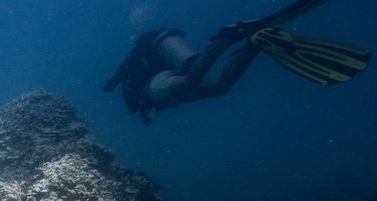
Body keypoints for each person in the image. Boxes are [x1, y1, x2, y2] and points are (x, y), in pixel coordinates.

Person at [104, 0, 370, 125]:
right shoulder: (142, 57)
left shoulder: (133, 62)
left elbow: (112, 85)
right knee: (219, 87)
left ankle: (227, 38)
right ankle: (254, 45)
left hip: (156, 87)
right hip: (165, 89)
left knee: (189, 83)